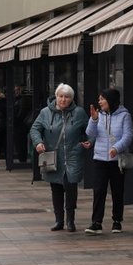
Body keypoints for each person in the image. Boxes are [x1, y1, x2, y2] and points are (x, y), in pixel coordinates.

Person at [31, 83, 89, 231]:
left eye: (67, 97)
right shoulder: (45, 112)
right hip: (53, 156)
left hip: (73, 155)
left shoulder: (79, 113)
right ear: (56, 97)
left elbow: (90, 130)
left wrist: (88, 142)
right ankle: (59, 220)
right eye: (61, 96)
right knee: (56, 188)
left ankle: (70, 220)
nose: (63, 99)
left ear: (72, 98)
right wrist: (38, 142)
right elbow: (35, 129)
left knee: (71, 186)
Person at [84, 88, 133, 234]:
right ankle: (96, 223)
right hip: (100, 158)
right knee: (99, 191)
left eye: (102, 99)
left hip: (117, 160)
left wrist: (116, 148)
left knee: (117, 191)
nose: (99, 102)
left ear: (110, 100)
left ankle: (117, 221)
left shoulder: (125, 115)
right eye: (99, 99)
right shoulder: (98, 114)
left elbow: (128, 136)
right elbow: (90, 133)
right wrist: (93, 120)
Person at [13, 86, 33, 164]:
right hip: (19, 124)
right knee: (19, 142)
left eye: (18, 90)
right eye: (15, 90)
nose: (16, 91)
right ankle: (21, 157)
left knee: (21, 142)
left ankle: (22, 158)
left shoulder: (23, 100)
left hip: (21, 124)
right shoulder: (16, 99)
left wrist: (16, 120)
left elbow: (22, 112)